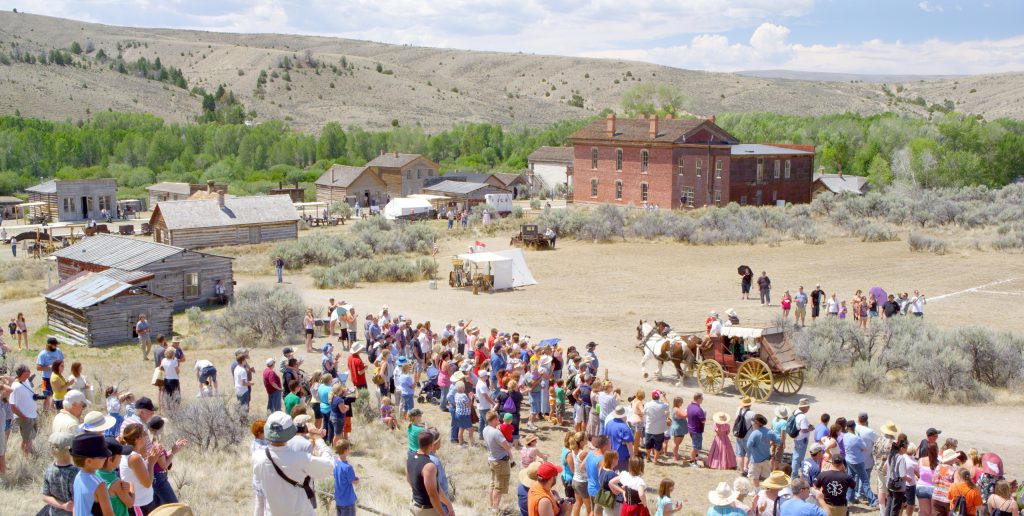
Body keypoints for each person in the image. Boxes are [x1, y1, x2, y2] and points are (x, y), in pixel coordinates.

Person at [254, 411, 334, 516]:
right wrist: (318, 439)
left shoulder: (258, 457)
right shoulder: (301, 459)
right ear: (290, 432)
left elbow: (259, 492)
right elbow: (330, 465)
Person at [408, 429, 452, 516]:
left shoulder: (410, 457)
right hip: (427, 510)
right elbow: (433, 494)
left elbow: (409, 480)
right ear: (432, 444)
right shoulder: (430, 466)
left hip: (415, 504)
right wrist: (443, 513)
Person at [71, 432, 115, 516]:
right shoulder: (99, 484)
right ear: (89, 461)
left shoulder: (78, 477)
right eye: (102, 456)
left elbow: (76, 506)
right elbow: (108, 514)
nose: (105, 458)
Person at [42, 432, 78, 516]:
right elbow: (76, 501)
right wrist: (65, 506)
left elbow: (45, 497)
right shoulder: (75, 472)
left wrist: (63, 506)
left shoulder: (49, 470)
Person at [484, 410, 513, 513]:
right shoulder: (496, 432)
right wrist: (511, 444)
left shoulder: (485, 429)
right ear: (495, 419)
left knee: (493, 484)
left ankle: (491, 505)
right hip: (500, 462)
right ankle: (495, 509)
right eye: (498, 418)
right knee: (499, 486)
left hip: (492, 459)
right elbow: (507, 447)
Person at [99, 435, 135, 516]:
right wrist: (131, 488)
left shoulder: (95, 473)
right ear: (110, 459)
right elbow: (130, 503)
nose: (121, 457)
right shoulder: (115, 483)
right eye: (119, 455)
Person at [11, 364, 39, 455]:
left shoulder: (26, 381)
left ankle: (25, 455)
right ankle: (25, 458)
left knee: (28, 439)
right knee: (27, 440)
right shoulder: (15, 387)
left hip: (32, 415)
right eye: (28, 371)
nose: (30, 372)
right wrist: (23, 417)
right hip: (25, 417)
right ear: (22, 373)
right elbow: (12, 406)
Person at [745, 414, 780, 486]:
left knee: (755, 477)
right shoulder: (769, 432)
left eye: (752, 421)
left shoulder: (754, 433)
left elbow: (748, 445)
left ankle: (757, 489)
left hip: (755, 460)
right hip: (766, 459)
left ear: (756, 423)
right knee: (766, 476)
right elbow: (779, 440)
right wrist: (772, 443)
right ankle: (766, 489)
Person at [38, 337, 65, 412]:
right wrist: (49, 367)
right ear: (49, 345)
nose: (56, 346)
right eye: (54, 345)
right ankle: (46, 413)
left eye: (56, 345)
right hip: (46, 378)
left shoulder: (58, 351)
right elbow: (38, 368)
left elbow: (61, 362)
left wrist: (61, 369)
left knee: (56, 395)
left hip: (57, 377)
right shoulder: (43, 354)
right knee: (46, 396)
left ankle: (55, 412)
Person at [332, 439, 359, 516]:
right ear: (346, 450)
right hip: (347, 502)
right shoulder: (348, 467)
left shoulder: (335, 463)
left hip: (339, 500)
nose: (350, 450)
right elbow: (354, 481)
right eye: (349, 448)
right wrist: (357, 480)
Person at [605, 405, 634, 471]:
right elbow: (629, 444)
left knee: (613, 473)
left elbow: (607, 438)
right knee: (623, 475)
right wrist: (632, 457)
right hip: (622, 456)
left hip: (611, 454)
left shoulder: (608, 423)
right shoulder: (624, 427)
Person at [643, 390, 669, 464]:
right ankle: (655, 460)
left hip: (649, 428)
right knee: (658, 445)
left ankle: (648, 457)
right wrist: (664, 396)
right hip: (659, 429)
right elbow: (668, 404)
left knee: (648, 444)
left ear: (652, 396)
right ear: (659, 397)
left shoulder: (647, 404)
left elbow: (644, 412)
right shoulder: (663, 405)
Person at [733, 397, 755, 472]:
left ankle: (741, 470)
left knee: (740, 454)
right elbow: (754, 426)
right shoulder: (752, 414)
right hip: (748, 436)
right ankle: (746, 467)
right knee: (750, 454)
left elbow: (735, 422)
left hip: (739, 435)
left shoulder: (738, 411)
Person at [792, 398, 811, 475]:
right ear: (804, 407)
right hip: (801, 439)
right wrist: (810, 428)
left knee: (796, 456)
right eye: (808, 407)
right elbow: (803, 430)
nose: (809, 408)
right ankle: (794, 475)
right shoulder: (803, 417)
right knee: (798, 458)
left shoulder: (795, 412)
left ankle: (794, 473)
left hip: (797, 437)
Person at [687, 393, 706, 467]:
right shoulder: (699, 410)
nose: (702, 399)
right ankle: (692, 461)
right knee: (695, 447)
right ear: (698, 399)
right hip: (696, 430)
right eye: (702, 398)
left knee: (695, 445)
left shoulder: (689, 406)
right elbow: (703, 421)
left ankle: (696, 456)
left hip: (691, 428)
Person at [669, 396, 688, 462]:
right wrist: (689, 410)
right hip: (678, 429)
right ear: (678, 402)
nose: (682, 403)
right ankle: (675, 456)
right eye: (681, 402)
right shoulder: (677, 409)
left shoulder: (675, 408)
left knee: (677, 444)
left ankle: (675, 454)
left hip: (679, 428)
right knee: (676, 444)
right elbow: (685, 416)